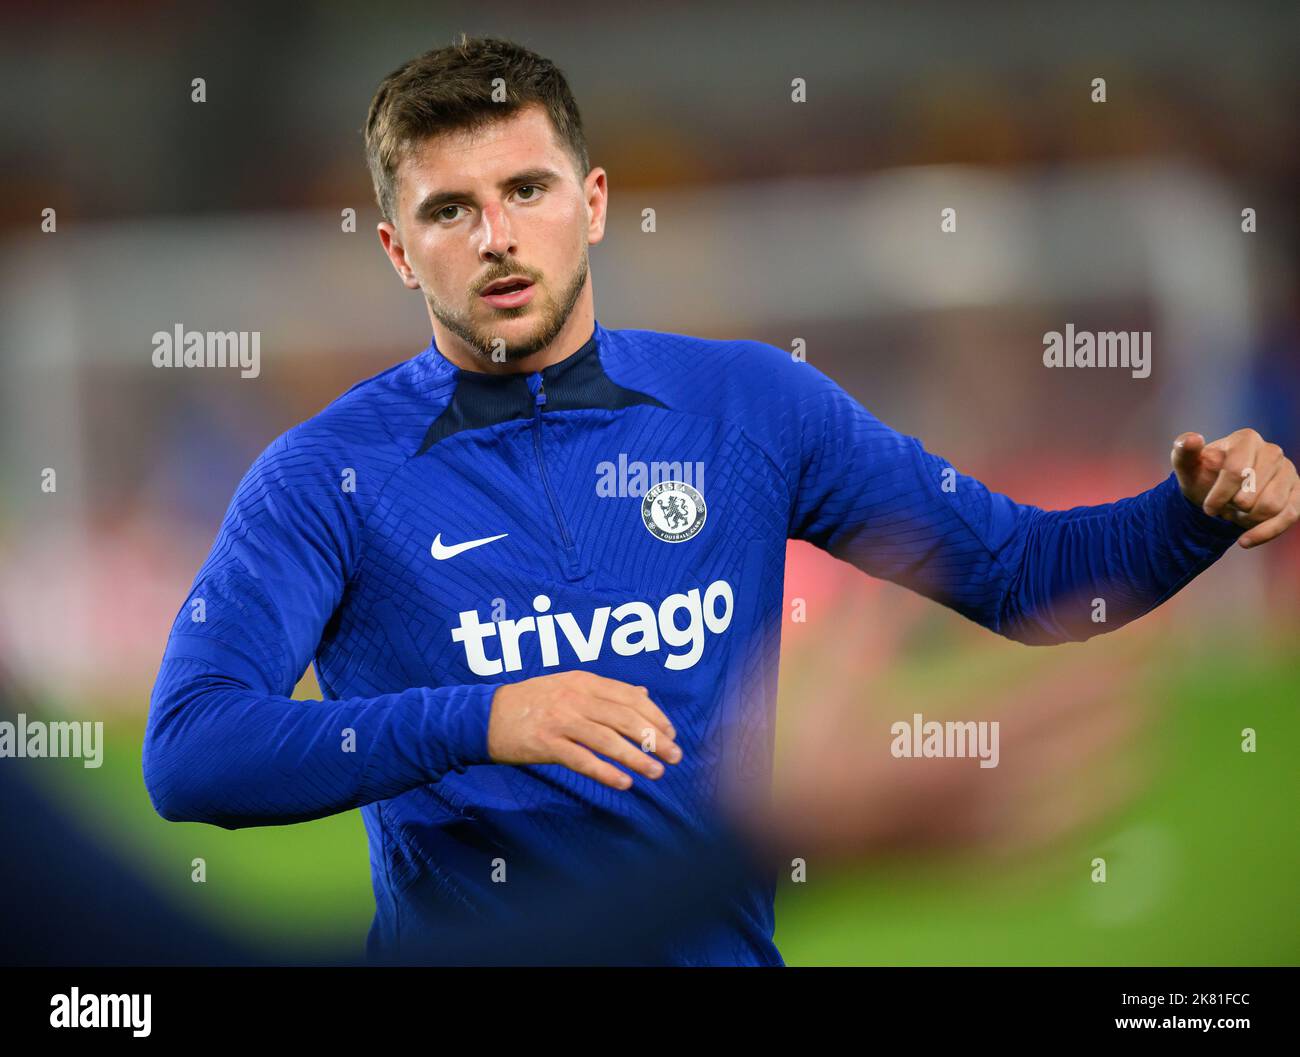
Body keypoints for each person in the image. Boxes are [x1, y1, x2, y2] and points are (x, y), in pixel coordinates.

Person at [143, 35, 1299, 967]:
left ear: (591, 201)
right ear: (399, 249)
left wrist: (1193, 516)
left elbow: (1019, 574)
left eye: (527, 189)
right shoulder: (322, 476)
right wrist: (483, 717)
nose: (496, 237)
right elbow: (192, 753)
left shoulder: (749, 406)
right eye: (450, 210)